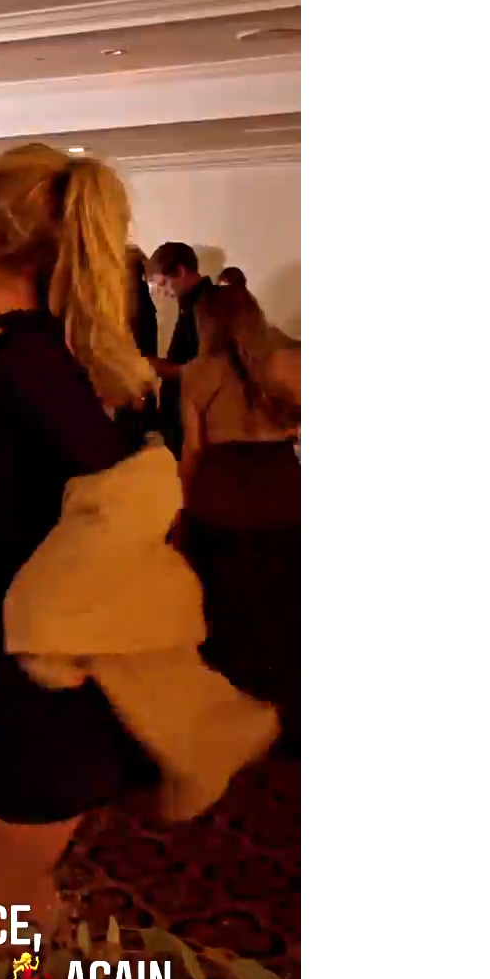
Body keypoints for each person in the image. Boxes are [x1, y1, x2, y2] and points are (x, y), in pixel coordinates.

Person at [0, 143, 159, 936]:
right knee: (15, 907)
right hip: (42, 699)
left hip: (44, 712)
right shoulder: (36, 362)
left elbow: (110, 527)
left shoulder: (20, 371)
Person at [177, 283, 301, 756]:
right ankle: (291, 719)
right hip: (282, 488)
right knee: (286, 605)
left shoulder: (198, 373)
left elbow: (193, 450)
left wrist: (180, 508)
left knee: (228, 612)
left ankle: (237, 720)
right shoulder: (288, 364)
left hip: (223, 494)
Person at [148, 241, 216, 457]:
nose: (164, 293)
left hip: (195, 426)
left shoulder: (208, 306)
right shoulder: (191, 304)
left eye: (164, 284)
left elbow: (210, 368)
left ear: (180, 271)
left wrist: (160, 368)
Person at [114, 245, 161, 448]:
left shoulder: (133, 302)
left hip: (131, 383)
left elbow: (139, 348)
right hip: (134, 381)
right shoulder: (140, 300)